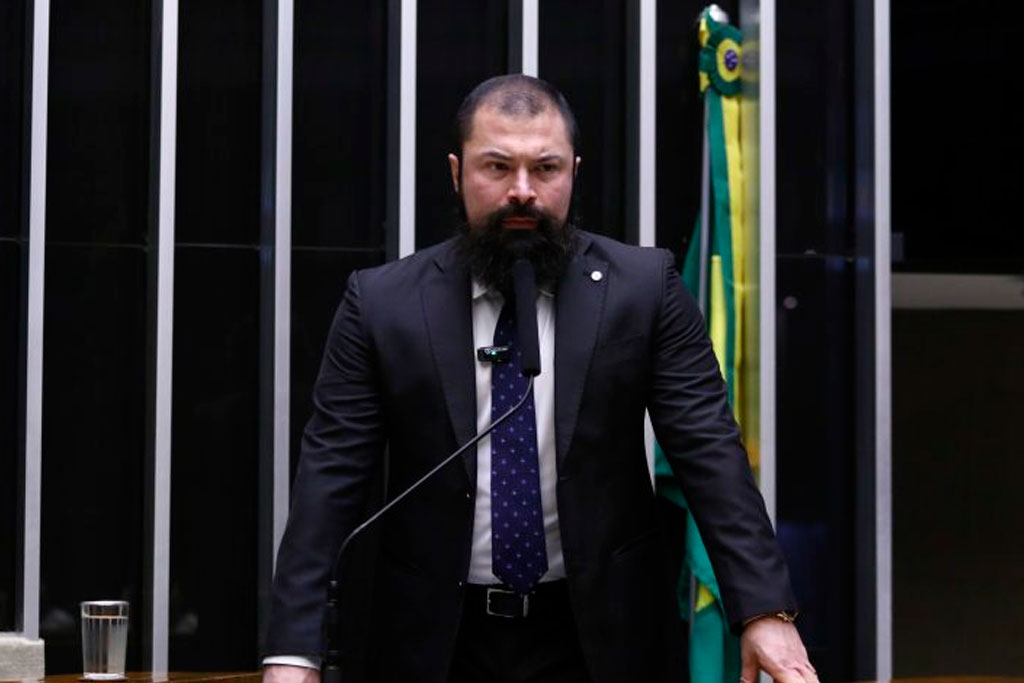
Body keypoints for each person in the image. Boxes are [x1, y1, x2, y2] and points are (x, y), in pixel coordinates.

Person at [262, 74, 817, 683]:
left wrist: (764, 609)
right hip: (431, 638)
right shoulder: (381, 303)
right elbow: (329, 477)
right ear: (456, 172)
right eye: (496, 167)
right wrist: (294, 652)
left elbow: (709, 452)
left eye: (544, 169)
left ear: (573, 172)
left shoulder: (645, 288)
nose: (521, 192)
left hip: (601, 636)